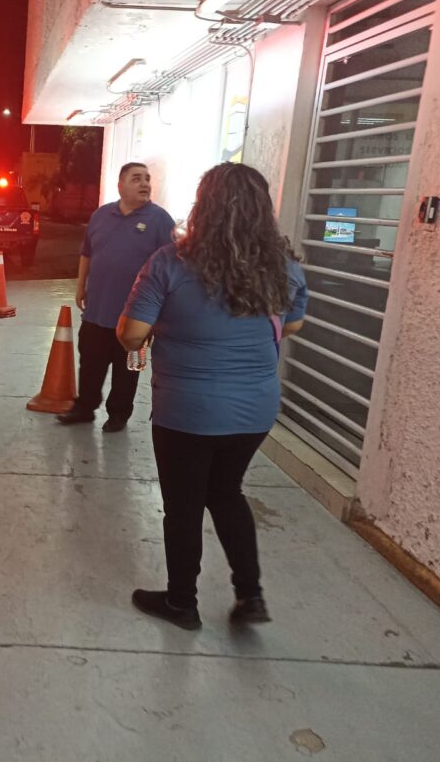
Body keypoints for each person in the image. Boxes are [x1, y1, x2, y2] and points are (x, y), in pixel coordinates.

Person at [117, 162, 308, 630]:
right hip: (255, 410)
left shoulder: (169, 262)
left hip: (187, 410)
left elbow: (131, 335)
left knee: (183, 506)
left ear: (204, 206)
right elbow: (294, 323)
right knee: (226, 493)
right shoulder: (285, 266)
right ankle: (250, 595)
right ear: (264, 210)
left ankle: (182, 602)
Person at [57, 162, 175, 433]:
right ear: (120, 186)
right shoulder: (101, 216)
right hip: (97, 310)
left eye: (147, 179)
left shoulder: (160, 220)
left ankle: (119, 414)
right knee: (89, 362)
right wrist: (80, 286)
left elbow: (171, 267)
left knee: (127, 370)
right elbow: (87, 253)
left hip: (136, 316)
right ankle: (84, 408)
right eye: (136, 179)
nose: (145, 184)